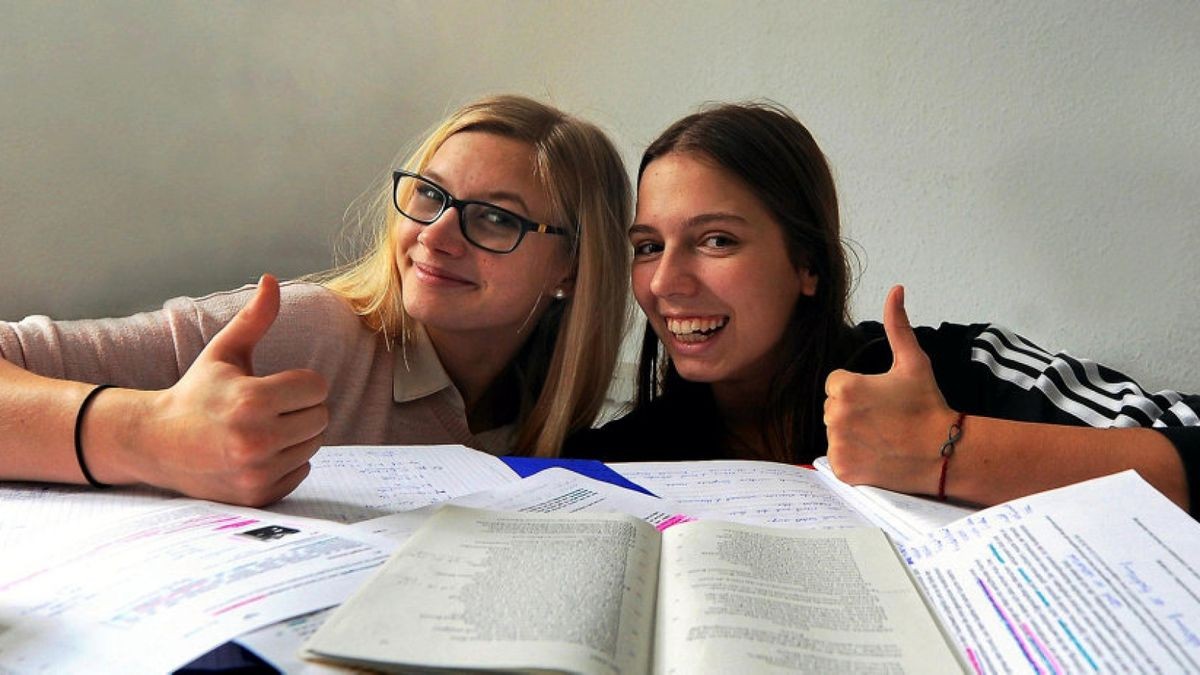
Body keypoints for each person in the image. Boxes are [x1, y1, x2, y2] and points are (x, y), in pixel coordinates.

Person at [565, 101, 1200, 515]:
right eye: (648, 246)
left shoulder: (957, 368)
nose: (667, 281)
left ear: (807, 265)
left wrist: (948, 449)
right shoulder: (619, 463)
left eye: (717, 240)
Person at [0, 94, 631, 506]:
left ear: (572, 268)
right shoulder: (308, 332)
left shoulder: (552, 420)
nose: (436, 236)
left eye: (495, 219)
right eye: (430, 195)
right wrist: (146, 433)